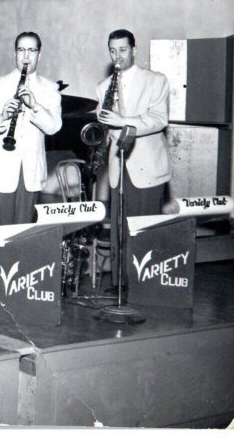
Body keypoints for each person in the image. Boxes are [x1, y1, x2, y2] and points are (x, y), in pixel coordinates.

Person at [0, 32, 61, 309]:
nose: (26, 56)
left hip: (30, 173)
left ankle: (16, 290)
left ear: (40, 54)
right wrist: (2, 116)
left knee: (22, 234)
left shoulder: (49, 89)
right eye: (21, 50)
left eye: (32, 51)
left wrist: (34, 106)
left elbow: (54, 127)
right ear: (15, 53)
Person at [96, 29, 171, 291]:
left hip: (147, 165)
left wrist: (123, 121)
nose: (118, 56)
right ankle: (119, 283)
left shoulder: (156, 80)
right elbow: (105, 127)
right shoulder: (103, 87)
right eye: (113, 50)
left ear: (134, 50)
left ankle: (144, 284)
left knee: (144, 229)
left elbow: (159, 120)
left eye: (123, 50)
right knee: (118, 227)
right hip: (119, 166)